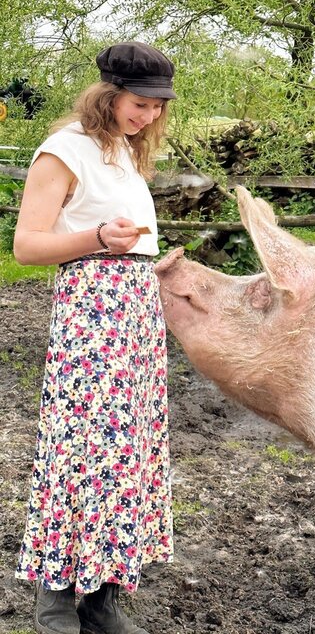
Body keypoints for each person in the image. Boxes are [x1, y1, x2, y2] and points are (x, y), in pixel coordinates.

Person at [14, 42, 176, 634]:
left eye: (158, 107)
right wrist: (99, 239)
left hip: (134, 313)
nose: (149, 116)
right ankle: (54, 598)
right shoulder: (64, 151)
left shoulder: (125, 153)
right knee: (79, 448)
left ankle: (102, 598)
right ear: (108, 95)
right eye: (140, 103)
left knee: (127, 451)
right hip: (91, 311)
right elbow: (26, 246)